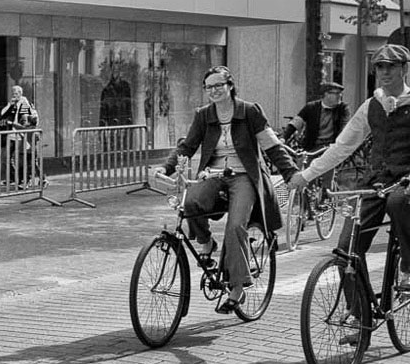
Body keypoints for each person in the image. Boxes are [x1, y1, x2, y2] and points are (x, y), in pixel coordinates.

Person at [160, 65, 298, 314]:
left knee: (236, 227)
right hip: (212, 174)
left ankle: (237, 288)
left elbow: (272, 146)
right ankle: (206, 242)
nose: (214, 91)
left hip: (243, 175)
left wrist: (290, 173)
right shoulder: (204, 115)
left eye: (218, 85)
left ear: (230, 86)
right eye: (209, 87)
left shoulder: (249, 111)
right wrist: (166, 168)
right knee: (190, 202)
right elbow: (188, 146)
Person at [288, 44, 410, 288]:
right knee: (346, 248)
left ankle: (407, 266)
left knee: (399, 202)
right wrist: (306, 175)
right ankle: (357, 313)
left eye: (391, 67)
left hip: (405, 180)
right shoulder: (371, 106)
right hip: (375, 181)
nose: (385, 72)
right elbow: (342, 146)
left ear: (405, 69)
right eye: (380, 67)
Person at [281, 81, 349, 151]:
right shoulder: (311, 107)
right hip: (313, 147)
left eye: (340, 93)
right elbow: (296, 123)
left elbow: (344, 126)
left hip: (332, 148)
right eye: (337, 93)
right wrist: (283, 138)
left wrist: (338, 144)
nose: (340, 96)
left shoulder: (342, 108)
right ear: (326, 94)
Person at [0, 85, 39, 186]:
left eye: (16, 94)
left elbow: (24, 121)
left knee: (23, 159)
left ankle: (25, 179)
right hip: (13, 134)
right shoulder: (14, 104)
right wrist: (10, 104)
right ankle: (15, 178)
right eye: (13, 94)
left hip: (21, 135)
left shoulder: (24, 103)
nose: (14, 95)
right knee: (8, 158)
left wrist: (16, 125)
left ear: (21, 94)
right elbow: (2, 114)